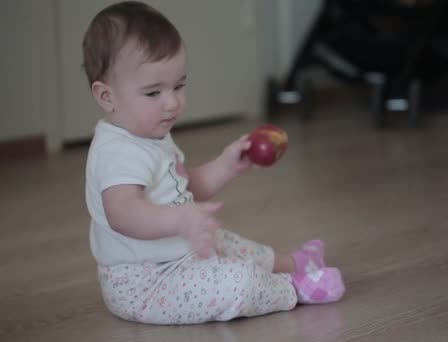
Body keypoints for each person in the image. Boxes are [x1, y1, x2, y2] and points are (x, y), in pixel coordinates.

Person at [82, 1, 345, 325]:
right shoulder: (117, 151)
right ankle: (292, 287)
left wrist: (226, 165)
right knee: (236, 282)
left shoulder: (150, 135)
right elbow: (122, 213)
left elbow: (186, 187)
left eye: (178, 86)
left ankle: (292, 262)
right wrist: (180, 221)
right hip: (147, 281)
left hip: (180, 254)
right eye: (153, 93)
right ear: (106, 96)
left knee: (228, 242)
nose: (172, 102)